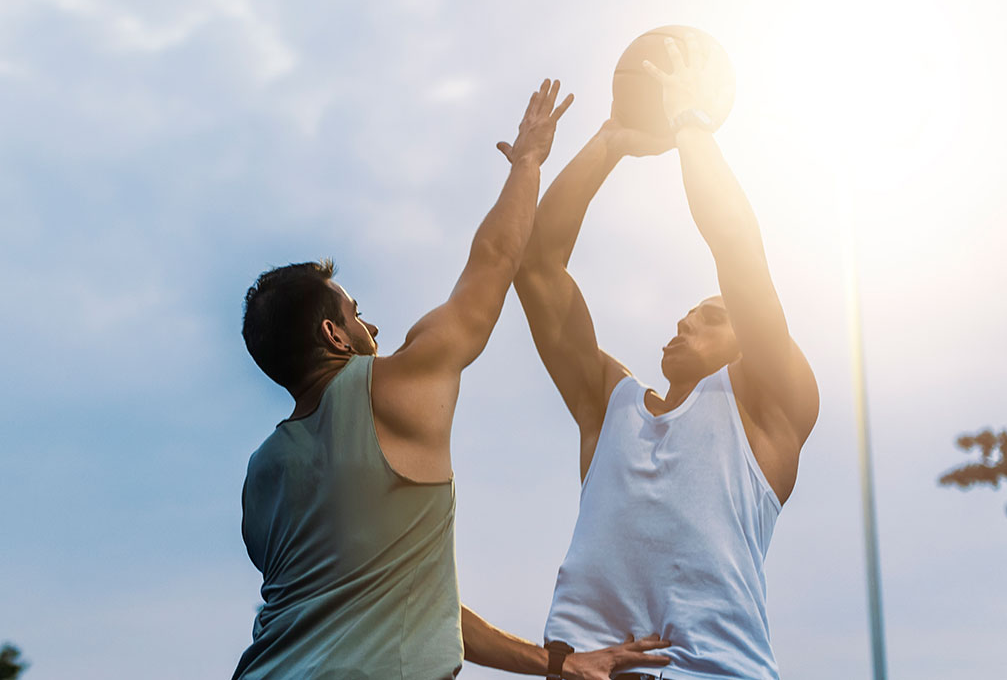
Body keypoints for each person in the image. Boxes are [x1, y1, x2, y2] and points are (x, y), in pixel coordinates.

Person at [233, 79, 670, 680]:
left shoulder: (261, 476)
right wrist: (527, 163)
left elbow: (415, 605)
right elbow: (492, 263)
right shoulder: (391, 389)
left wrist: (559, 666)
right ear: (335, 337)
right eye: (356, 313)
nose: (371, 325)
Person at [511, 36, 820, 679]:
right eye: (688, 312)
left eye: (713, 315)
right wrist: (612, 139)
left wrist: (690, 125)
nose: (686, 318)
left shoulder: (769, 410)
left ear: (748, 340)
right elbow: (537, 268)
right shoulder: (610, 402)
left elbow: (737, 251)